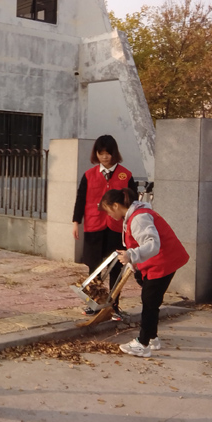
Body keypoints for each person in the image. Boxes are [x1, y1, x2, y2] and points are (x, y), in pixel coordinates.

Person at [100, 188, 189, 358]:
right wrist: (133, 262)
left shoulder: (139, 218)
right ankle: (152, 338)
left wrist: (131, 255)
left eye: (108, 210)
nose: (109, 215)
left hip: (162, 262)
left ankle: (143, 344)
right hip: (161, 261)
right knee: (150, 298)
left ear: (116, 205)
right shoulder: (134, 215)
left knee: (149, 303)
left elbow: (152, 244)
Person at [72, 134, 138, 321]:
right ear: (96, 154)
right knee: (94, 268)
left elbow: (133, 202)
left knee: (116, 268)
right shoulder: (89, 175)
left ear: (114, 153)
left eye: (108, 153)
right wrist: (76, 222)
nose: (104, 157)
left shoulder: (126, 175)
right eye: (100, 153)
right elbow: (81, 198)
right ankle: (93, 305)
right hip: (94, 225)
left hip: (117, 227)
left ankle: (114, 307)